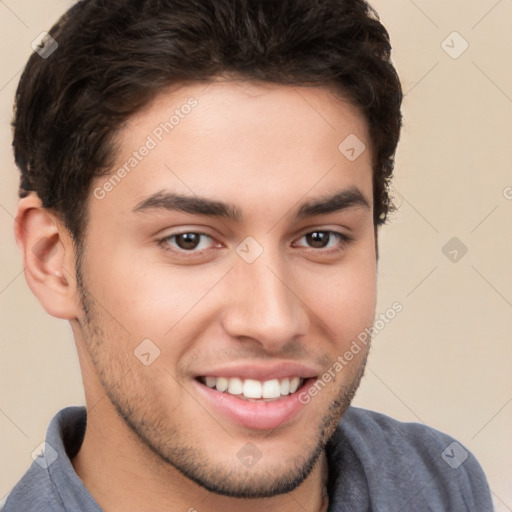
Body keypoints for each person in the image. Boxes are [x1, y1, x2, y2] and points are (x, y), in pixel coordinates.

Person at [3, 0, 494, 511]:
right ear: (52, 261)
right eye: (188, 240)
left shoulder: (440, 482)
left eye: (320, 237)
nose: (273, 321)